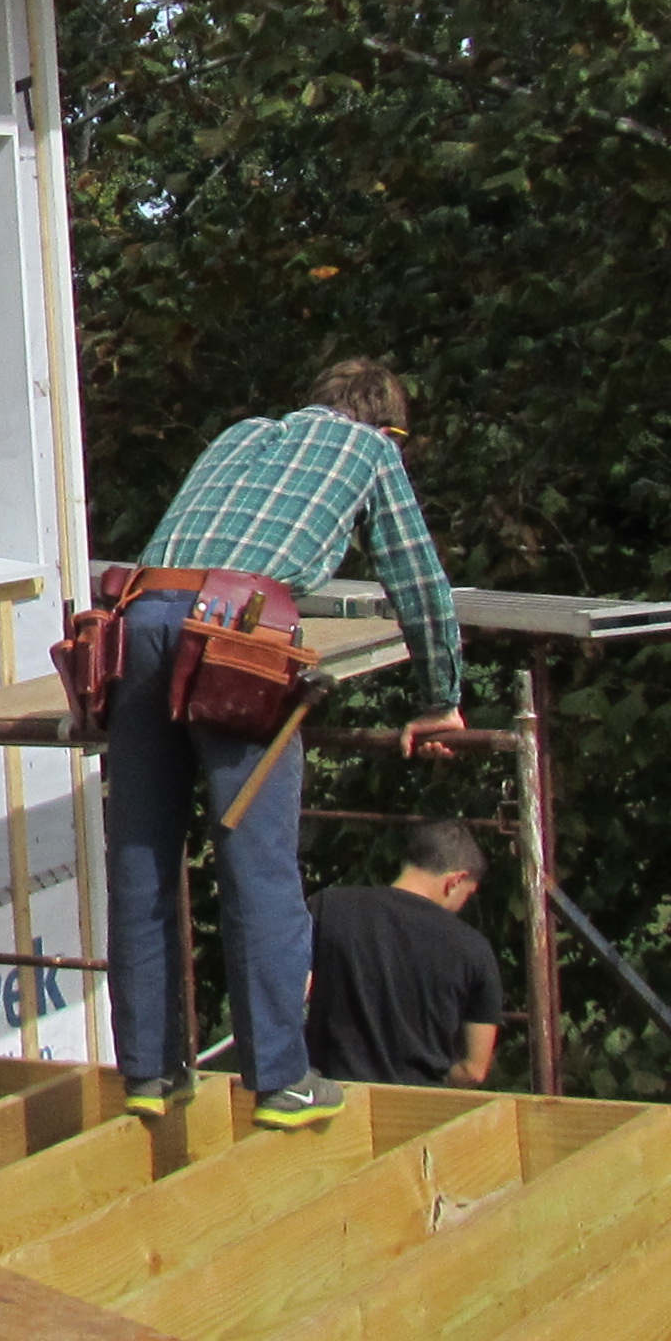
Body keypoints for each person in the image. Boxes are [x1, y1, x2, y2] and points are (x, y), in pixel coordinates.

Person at [104, 357, 468, 1129]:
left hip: (137, 622)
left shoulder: (241, 435)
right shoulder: (369, 450)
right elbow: (419, 583)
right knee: (258, 866)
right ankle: (280, 1079)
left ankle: (149, 1072)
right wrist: (441, 700)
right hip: (233, 637)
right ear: (389, 427)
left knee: (140, 859)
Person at [307, 819, 507, 1088]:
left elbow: (290, 992)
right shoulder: (474, 948)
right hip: (419, 1101)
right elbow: (474, 1070)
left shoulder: (328, 907)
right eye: (468, 894)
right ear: (455, 880)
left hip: (333, 1094)